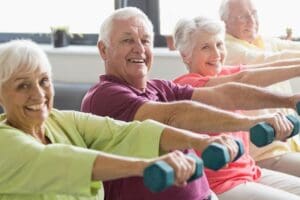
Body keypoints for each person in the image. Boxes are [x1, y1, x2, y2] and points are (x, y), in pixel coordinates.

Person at [81, 7, 300, 200]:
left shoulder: (159, 87)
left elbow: (222, 94)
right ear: (103, 49)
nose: (139, 48)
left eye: (145, 40)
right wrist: (251, 122)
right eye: (127, 40)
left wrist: (287, 101)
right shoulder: (105, 95)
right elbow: (172, 115)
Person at [0, 39, 245, 200]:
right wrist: (144, 167)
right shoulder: (5, 144)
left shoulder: (61, 121)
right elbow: (62, 161)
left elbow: (129, 132)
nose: (38, 94)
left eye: (44, 81)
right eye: (23, 86)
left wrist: (201, 142)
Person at [173, 15, 300, 200]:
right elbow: (244, 80)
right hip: (218, 184)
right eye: (205, 47)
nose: (216, 54)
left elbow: (260, 69)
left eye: (219, 44)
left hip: (250, 171)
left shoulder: (224, 73)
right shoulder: (186, 87)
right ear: (186, 55)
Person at [220, 0, 300, 175]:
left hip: (291, 142)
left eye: (254, 13)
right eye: (243, 16)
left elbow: (293, 48)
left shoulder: (262, 40)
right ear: (224, 23)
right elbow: (270, 60)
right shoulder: (226, 49)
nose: (251, 20)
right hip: (265, 151)